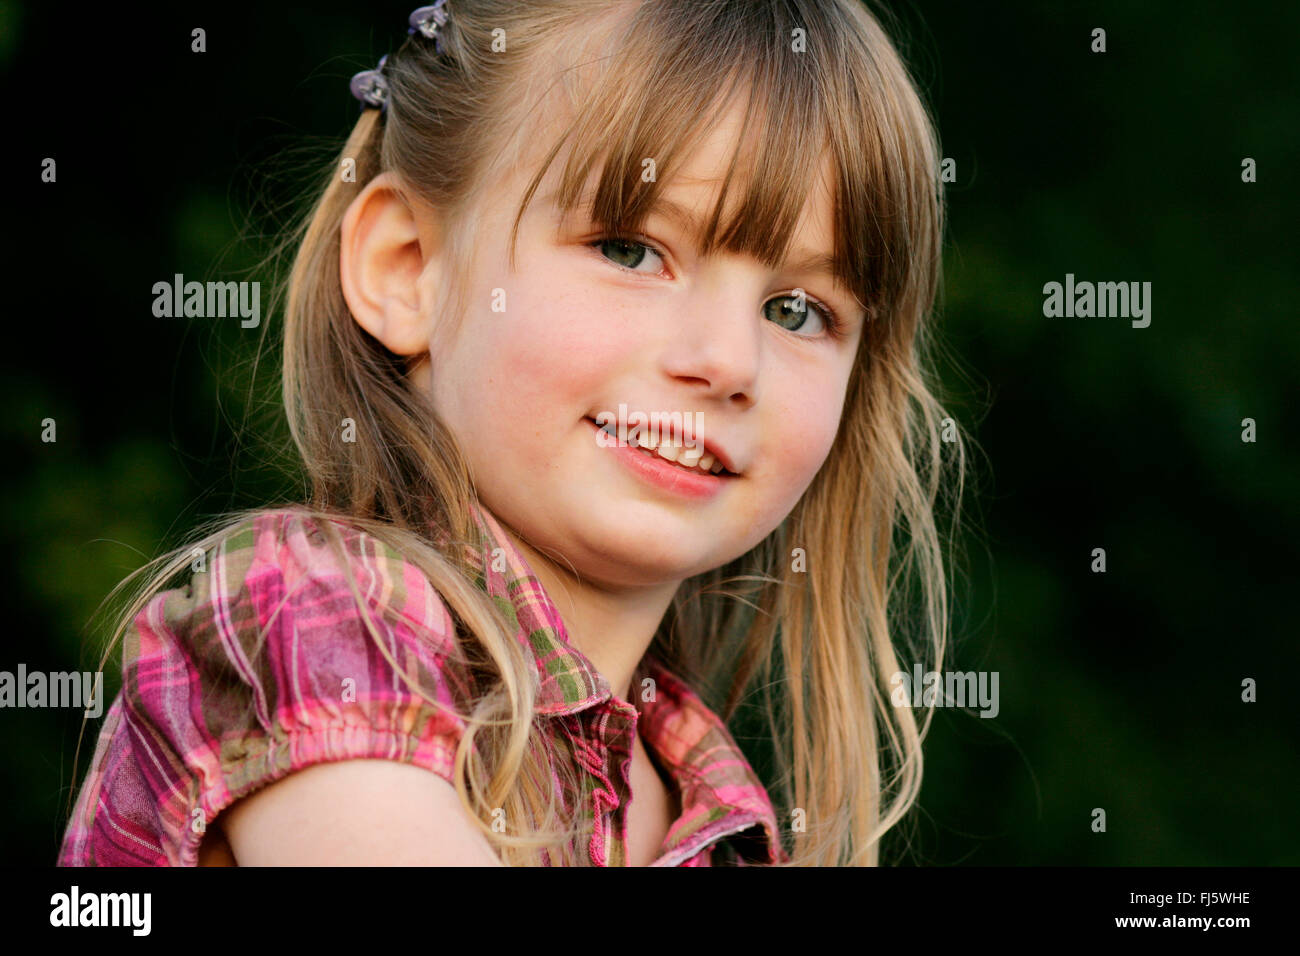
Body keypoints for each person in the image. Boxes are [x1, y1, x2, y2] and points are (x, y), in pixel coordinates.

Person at [59, 0, 967, 867]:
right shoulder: (317, 613)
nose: (730, 361)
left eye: (797, 310)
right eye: (630, 250)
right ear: (407, 269)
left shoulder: (717, 815)